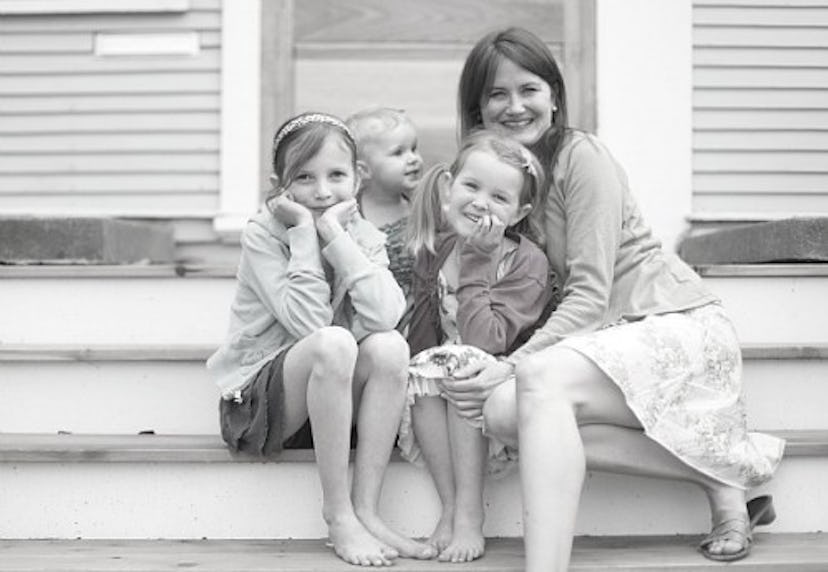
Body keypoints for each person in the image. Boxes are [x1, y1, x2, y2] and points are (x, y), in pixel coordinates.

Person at [441, 27, 785, 571]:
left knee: (529, 384)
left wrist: (510, 365)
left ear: (554, 95)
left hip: (669, 321)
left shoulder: (582, 156)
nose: (515, 106)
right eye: (496, 94)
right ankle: (720, 475)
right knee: (504, 412)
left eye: (528, 89)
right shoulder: (500, 186)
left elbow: (589, 294)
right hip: (602, 345)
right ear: (478, 109)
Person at [206, 111, 435, 566]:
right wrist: (306, 234)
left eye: (336, 175)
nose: (323, 191)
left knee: (390, 346)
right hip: (262, 407)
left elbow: (387, 315)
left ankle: (367, 509)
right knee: (333, 341)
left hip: (331, 406)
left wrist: (334, 233)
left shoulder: (360, 235)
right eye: (305, 177)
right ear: (280, 185)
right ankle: (338, 513)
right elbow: (309, 325)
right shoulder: (262, 235)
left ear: (357, 178)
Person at [399, 130, 555, 563]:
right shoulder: (436, 249)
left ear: (521, 212)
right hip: (439, 394)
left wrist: (477, 263)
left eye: (499, 198)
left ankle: (470, 512)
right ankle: (450, 506)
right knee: (420, 368)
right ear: (448, 187)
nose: (481, 202)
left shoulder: (528, 263)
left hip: (492, 388)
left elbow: (486, 340)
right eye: (471, 186)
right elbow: (423, 332)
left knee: (463, 361)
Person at [346, 107, 423, 301]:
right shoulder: (352, 216)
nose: (412, 158)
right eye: (398, 153)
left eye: (413, 148)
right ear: (364, 171)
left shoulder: (420, 205)